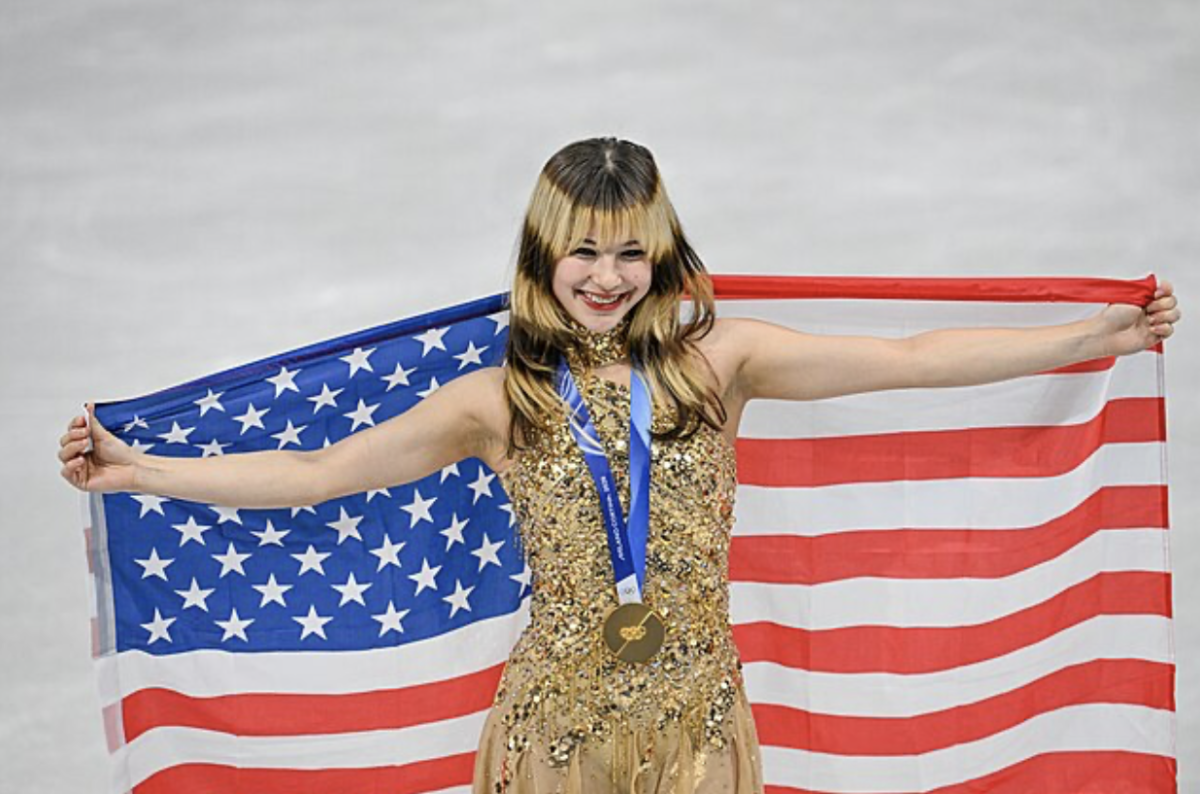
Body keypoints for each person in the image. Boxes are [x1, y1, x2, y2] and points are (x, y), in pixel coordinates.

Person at [58, 137, 1180, 793]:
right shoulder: (497, 400)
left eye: (629, 249)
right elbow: (318, 471)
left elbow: (911, 357)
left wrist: (1095, 338)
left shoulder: (721, 361)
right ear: (543, 253)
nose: (606, 274)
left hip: (699, 721)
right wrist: (139, 468)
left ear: (663, 250)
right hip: (556, 729)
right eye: (583, 250)